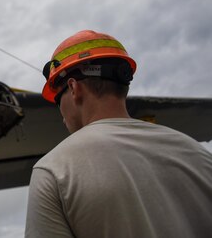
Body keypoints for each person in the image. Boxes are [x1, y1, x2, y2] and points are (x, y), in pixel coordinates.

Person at [25, 30, 212, 238]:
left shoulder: (54, 171)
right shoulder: (198, 154)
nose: (60, 113)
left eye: (58, 100)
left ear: (73, 87)